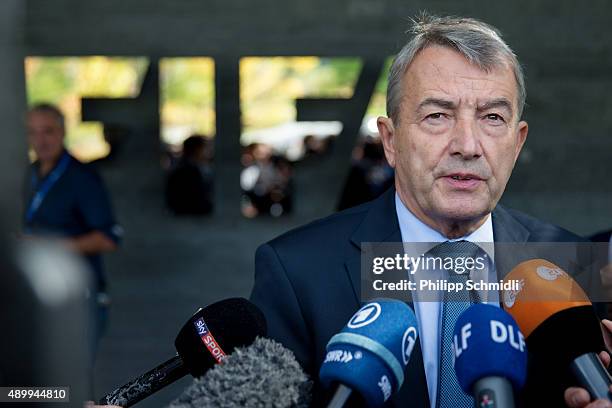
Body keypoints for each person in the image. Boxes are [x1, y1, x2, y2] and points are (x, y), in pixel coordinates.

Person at [250, 15, 611, 408]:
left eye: (492, 117)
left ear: (517, 141)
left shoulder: (574, 267)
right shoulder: (298, 272)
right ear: (390, 140)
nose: (468, 145)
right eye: (437, 115)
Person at [24, 103, 122, 343]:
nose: (41, 140)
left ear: (62, 132)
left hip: (78, 299)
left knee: (67, 379)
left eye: (48, 131)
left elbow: (109, 239)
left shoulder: (81, 177)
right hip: (39, 298)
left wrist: (47, 246)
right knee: (34, 380)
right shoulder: (30, 174)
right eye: (33, 132)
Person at [165, 135, 214, 215]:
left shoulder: (184, 169)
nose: (208, 152)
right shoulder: (187, 172)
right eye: (205, 148)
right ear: (197, 150)